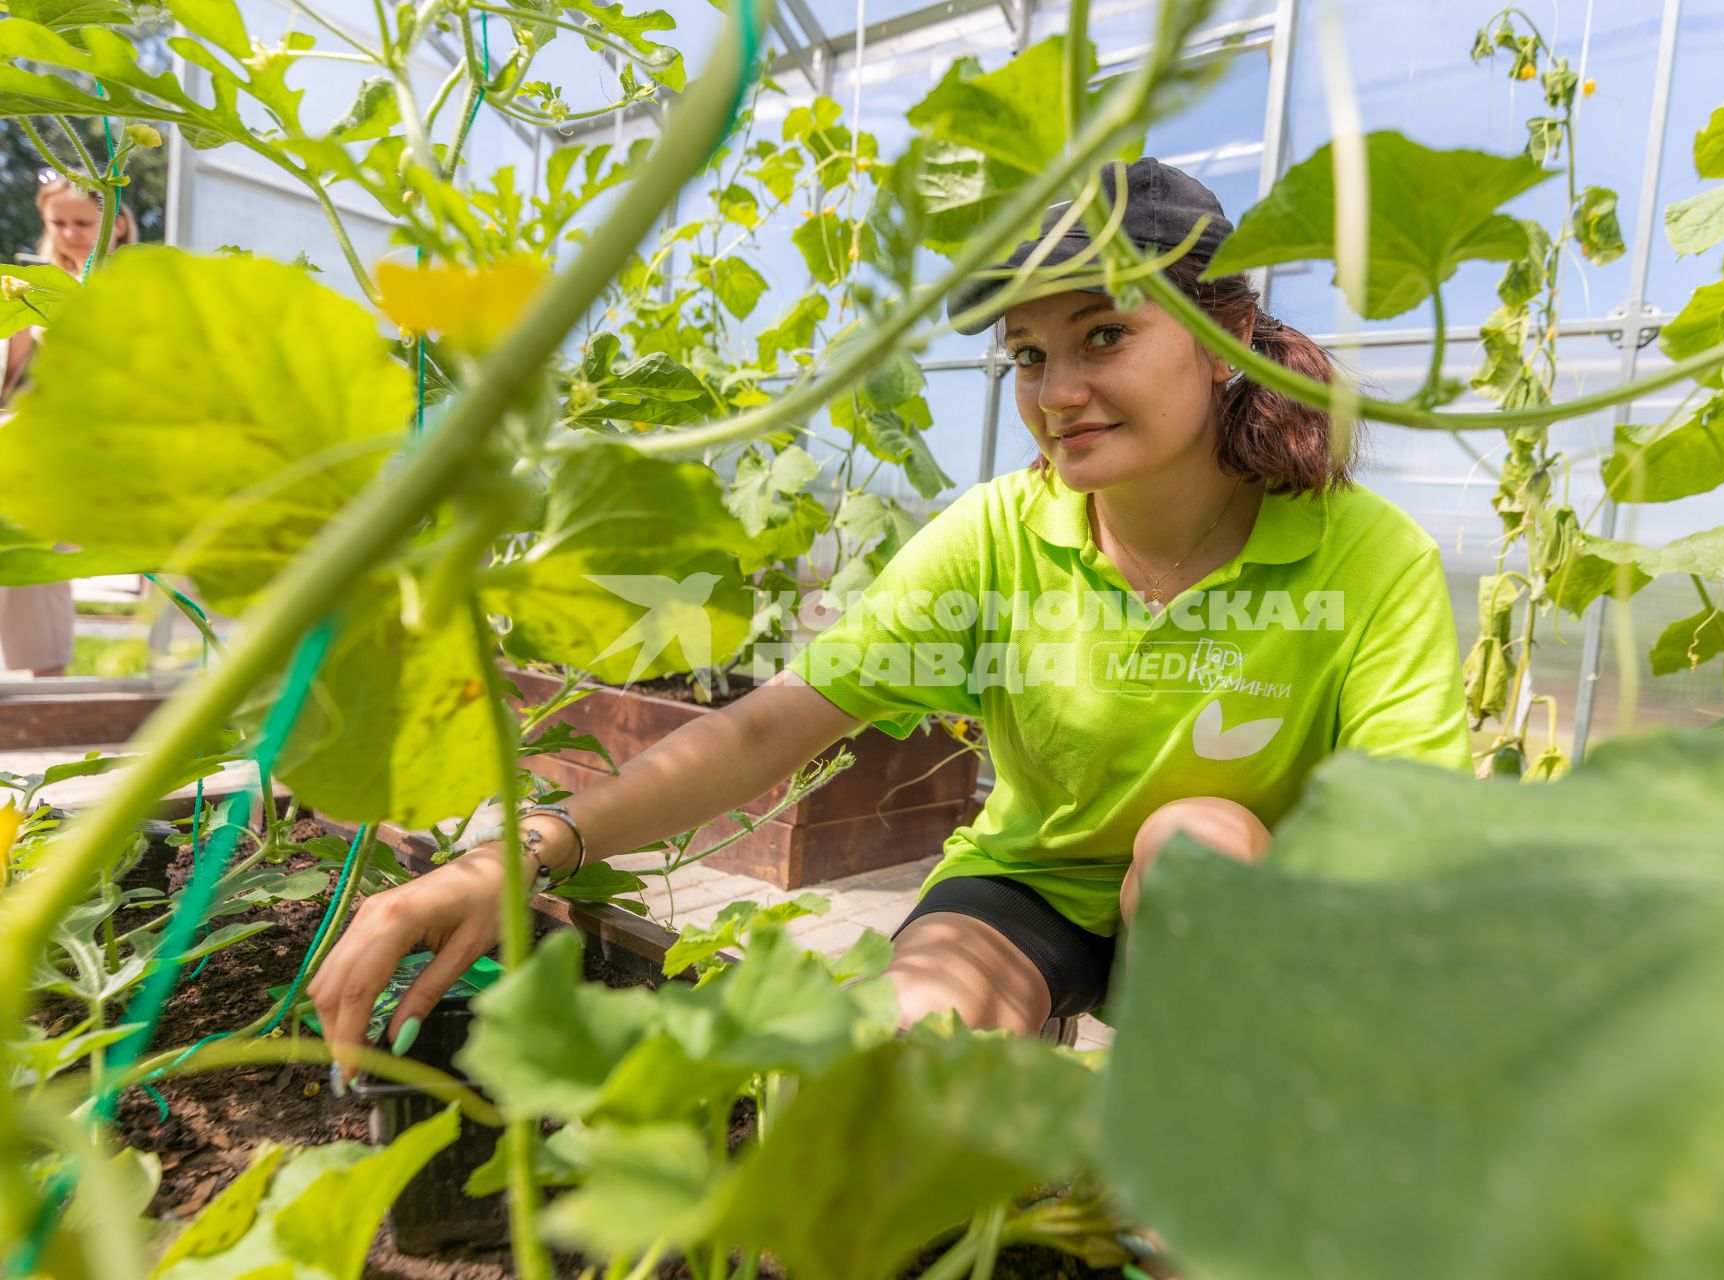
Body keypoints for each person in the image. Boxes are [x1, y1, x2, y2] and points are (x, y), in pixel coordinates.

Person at [309, 158, 1472, 1071]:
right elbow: (769, 728)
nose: (1056, 392)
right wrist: (520, 852)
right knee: (909, 1056)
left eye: (1103, 334)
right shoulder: (999, 538)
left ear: (1221, 339)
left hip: (1249, 914)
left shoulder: (1362, 557)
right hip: (1033, 889)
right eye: (1028, 354)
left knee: (1198, 842)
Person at [0, 169, 138, 678]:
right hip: (23, 432)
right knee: (21, 552)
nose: (72, 233)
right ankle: (39, 680)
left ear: (117, 224)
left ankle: (47, 682)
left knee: (39, 551)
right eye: (59, 221)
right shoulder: (29, 284)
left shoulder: (127, 286)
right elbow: (11, 367)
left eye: (84, 222)